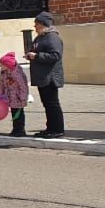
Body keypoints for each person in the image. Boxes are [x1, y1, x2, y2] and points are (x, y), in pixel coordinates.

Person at [26, 11, 65, 139]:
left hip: (50, 76)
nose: (35, 27)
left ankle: (57, 129)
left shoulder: (52, 37)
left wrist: (37, 56)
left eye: (37, 24)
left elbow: (55, 55)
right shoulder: (40, 37)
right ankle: (50, 128)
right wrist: (31, 55)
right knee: (47, 103)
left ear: (44, 24)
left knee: (52, 103)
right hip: (42, 76)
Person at [0, 52, 30, 137]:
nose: (0, 66)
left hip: (18, 98)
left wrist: (23, 98)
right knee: (14, 114)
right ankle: (15, 129)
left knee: (19, 114)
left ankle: (20, 130)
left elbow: (23, 86)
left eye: (2, 64)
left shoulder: (17, 74)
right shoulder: (4, 73)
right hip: (10, 97)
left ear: (8, 65)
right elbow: (1, 83)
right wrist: (0, 94)